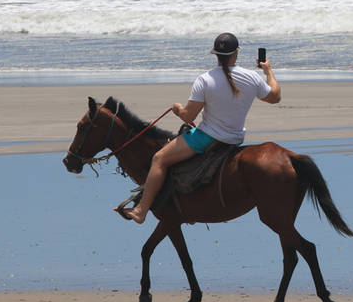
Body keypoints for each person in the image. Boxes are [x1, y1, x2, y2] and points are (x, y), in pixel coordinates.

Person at [119, 32, 281, 224]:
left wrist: (178, 109)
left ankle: (140, 211)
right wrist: (268, 71)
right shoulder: (252, 77)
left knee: (159, 159)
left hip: (208, 137)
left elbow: (189, 117)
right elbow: (275, 97)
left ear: (216, 55)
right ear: (236, 53)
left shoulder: (204, 80)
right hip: (235, 138)